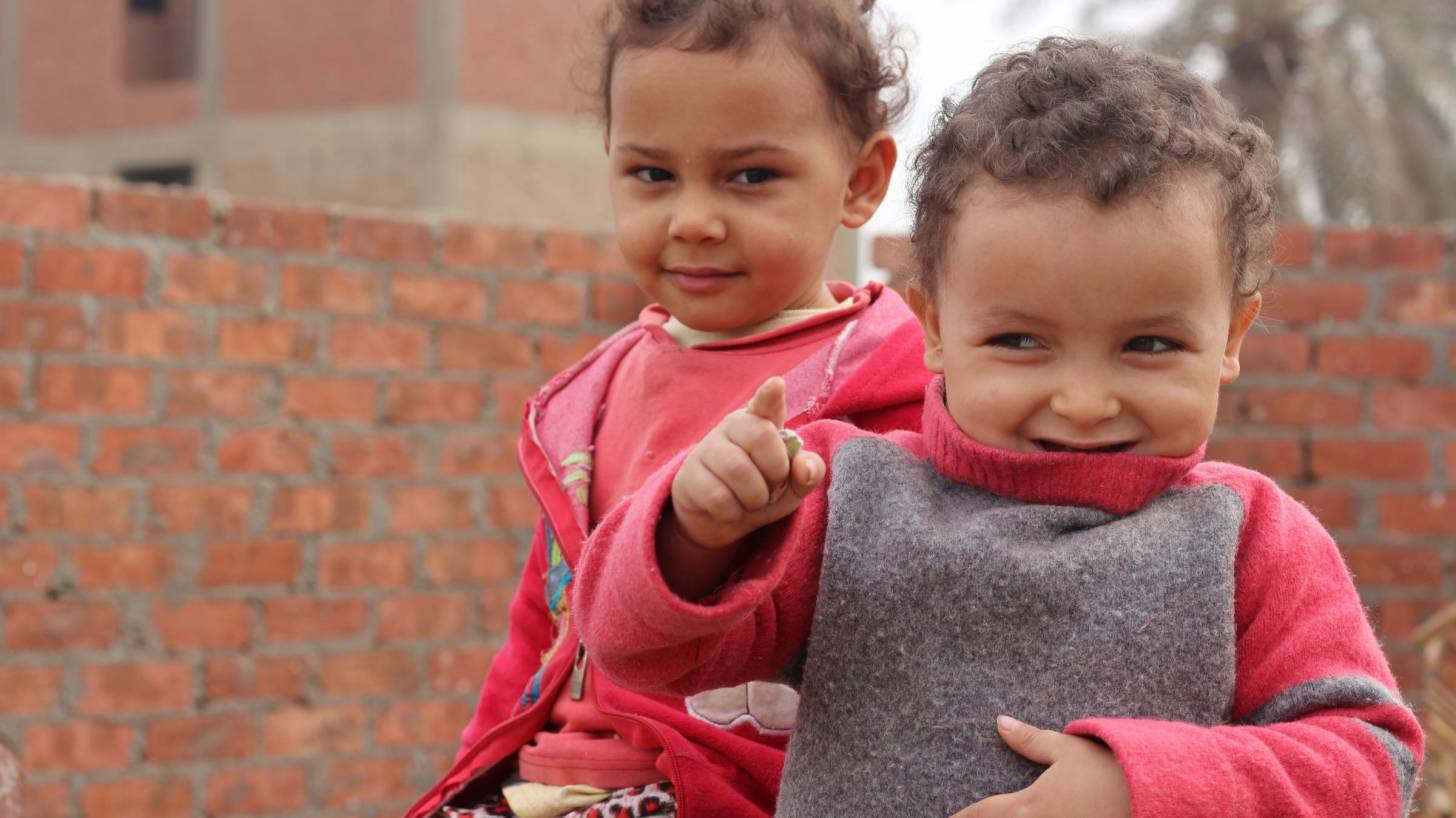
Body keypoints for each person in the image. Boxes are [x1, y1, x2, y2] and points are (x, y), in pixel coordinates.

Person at [574, 37, 1425, 817]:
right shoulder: (844, 495)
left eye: (1150, 345)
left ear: (1231, 338)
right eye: (1021, 341)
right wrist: (694, 532)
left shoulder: (1250, 541)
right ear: (934, 327)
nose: (1085, 401)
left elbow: (1369, 764)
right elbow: (640, 654)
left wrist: (1145, 788)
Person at [404, 2, 933, 817]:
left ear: (860, 180)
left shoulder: (902, 408)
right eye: (652, 175)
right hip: (542, 786)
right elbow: (535, 640)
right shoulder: (589, 400)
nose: (692, 221)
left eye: (750, 176)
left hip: (720, 789)